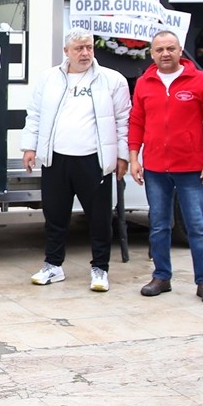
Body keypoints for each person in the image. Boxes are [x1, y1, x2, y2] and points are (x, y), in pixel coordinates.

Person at [21, 30, 131, 292]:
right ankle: (53, 266)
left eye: (89, 48)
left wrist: (122, 155)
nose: (85, 53)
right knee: (55, 215)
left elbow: (123, 120)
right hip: (56, 159)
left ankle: (100, 269)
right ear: (66, 51)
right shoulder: (49, 79)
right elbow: (34, 114)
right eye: (79, 48)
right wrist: (29, 146)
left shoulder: (112, 80)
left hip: (94, 160)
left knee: (99, 218)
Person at [129, 30, 203, 305]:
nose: (165, 54)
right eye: (159, 50)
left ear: (180, 50)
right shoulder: (145, 83)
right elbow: (137, 122)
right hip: (156, 169)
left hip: (192, 169)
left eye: (170, 48)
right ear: (152, 53)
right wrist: (135, 158)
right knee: (159, 226)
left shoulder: (200, 80)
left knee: (197, 226)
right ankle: (161, 277)